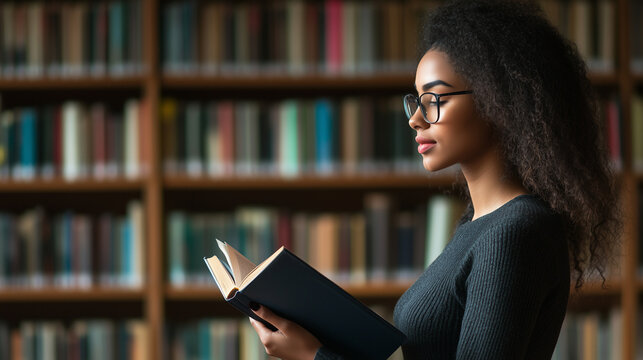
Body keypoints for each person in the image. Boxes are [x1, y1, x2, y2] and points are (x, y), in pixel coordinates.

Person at [248, 0, 622, 359]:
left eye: (435, 99)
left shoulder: (516, 231)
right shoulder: (477, 224)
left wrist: (313, 356)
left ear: (499, 100)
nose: (416, 119)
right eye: (417, 100)